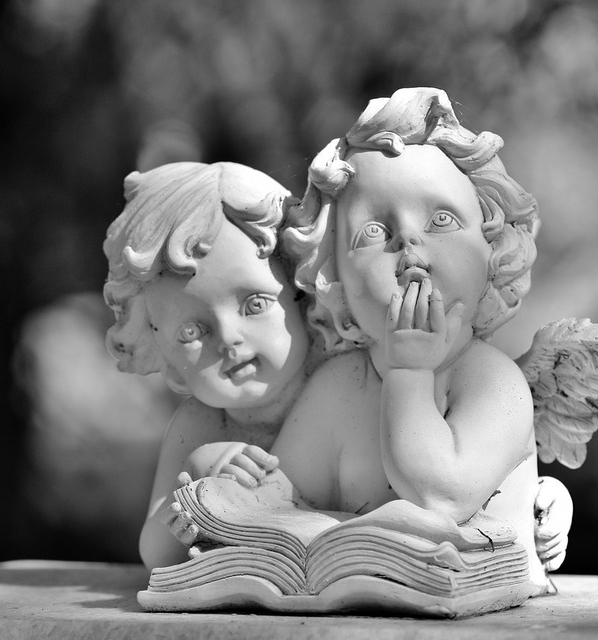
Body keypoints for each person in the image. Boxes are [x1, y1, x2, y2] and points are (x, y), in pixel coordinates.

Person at [268, 87, 563, 594]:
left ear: (492, 250)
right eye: (372, 232)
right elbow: (284, 496)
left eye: (441, 220)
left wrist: (409, 372)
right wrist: (229, 482)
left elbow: (440, 498)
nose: (408, 243)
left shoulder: (493, 381)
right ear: (334, 281)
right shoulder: (341, 384)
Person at [103, 162, 312, 570]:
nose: (229, 338)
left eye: (255, 304)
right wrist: (198, 481)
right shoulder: (200, 424)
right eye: (191, 331)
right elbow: (155, 554)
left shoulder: (345, 387)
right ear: (161, 349)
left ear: (301, 294)